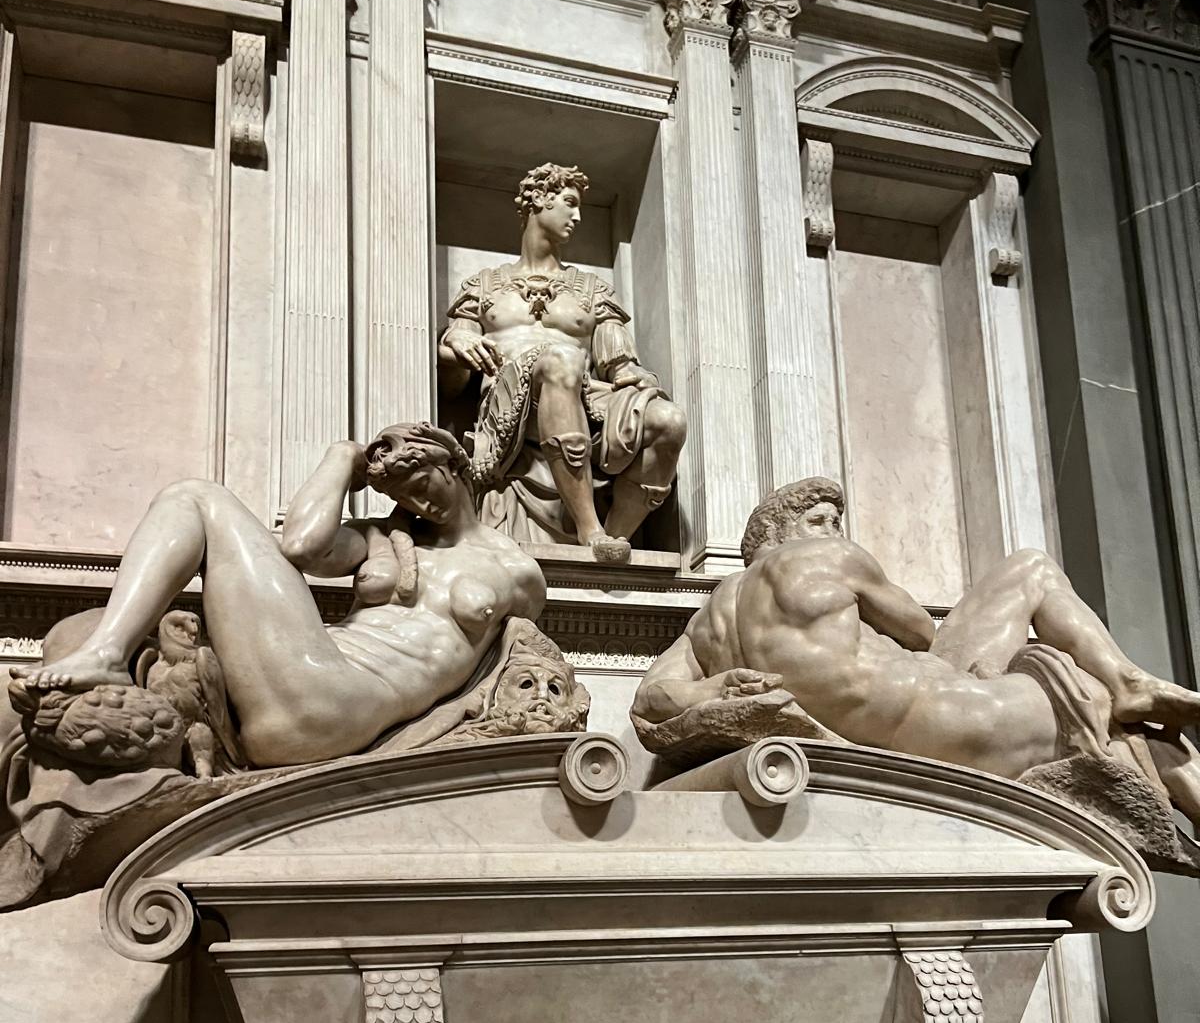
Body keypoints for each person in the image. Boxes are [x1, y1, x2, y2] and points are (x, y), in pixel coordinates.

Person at [633, 476, 1200, 821]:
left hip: (902, 720)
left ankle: (1126, 686)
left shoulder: (706, 621)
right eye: (821, 520)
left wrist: (717, 687)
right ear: (778, 534)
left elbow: (651, 701)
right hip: (953, 720)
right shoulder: (829, 559)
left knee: (1073, 670)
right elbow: (922, 633)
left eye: (836, 523)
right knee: (1114, 709)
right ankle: (1126, 684)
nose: (834, 530)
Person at [12, 425, 546, 769]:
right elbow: (301, 546)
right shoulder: (380, 541)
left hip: (344, 704)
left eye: (422, 482)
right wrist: (342, 458)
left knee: (198, 498)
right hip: (305, 679)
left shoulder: (517, 571)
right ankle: (106, 652)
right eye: (402, 495)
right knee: (190, 499)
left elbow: (519, 668)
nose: (419, 503)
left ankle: (107, 655)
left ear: (453, 464)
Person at [438, 162, 687, 565]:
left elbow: (621, 367)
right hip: (506, 406)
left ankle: (614, 540)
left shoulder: (592, 290)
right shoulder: (483, 285)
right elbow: (451, 383)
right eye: (570, 203)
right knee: (560, 360)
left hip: (582, 396)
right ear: (539, 199)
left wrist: (639, 381)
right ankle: (589, 529)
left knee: (669, 420)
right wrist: (455, 342)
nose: (578, 216)